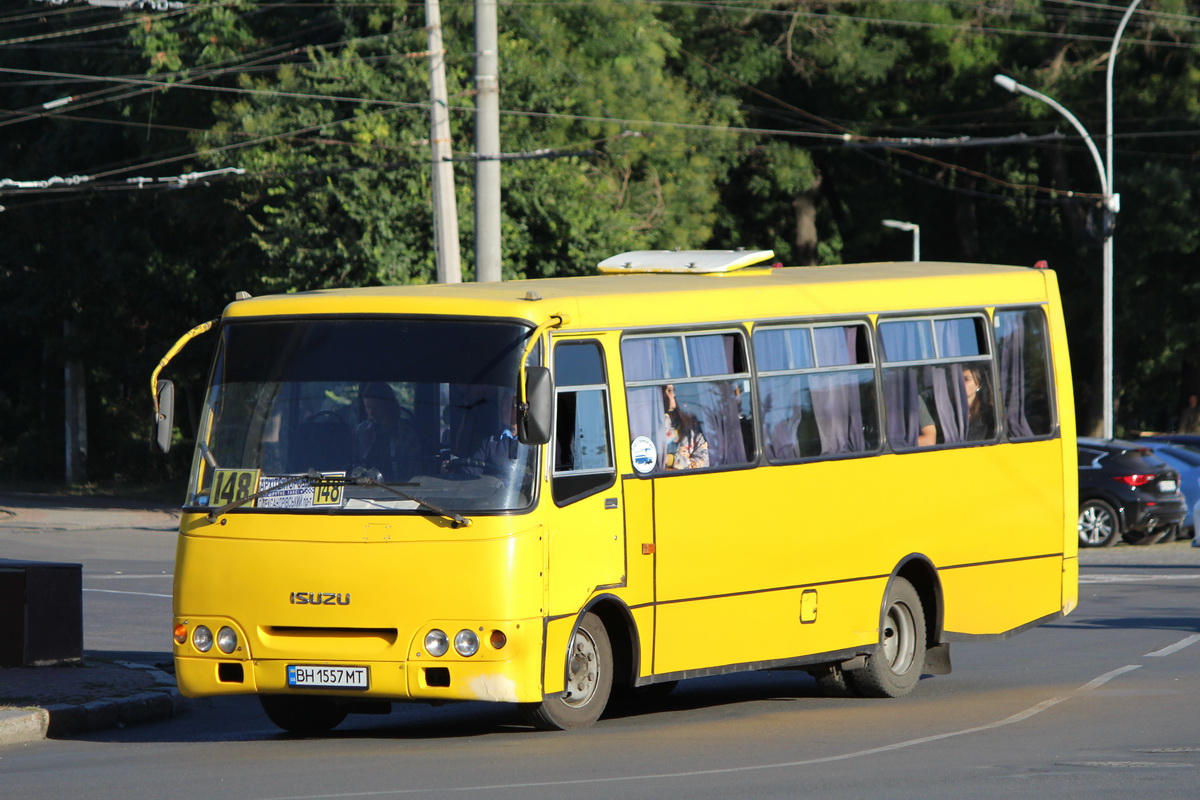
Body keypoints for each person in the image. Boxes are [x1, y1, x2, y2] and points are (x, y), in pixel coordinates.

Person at [353, 382, 417, 481]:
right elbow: (352, 465)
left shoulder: (406, 434)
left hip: (399, 492)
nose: (371, 412)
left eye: (376, 408)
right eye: (368, 407)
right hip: (363, 491)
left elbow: (414, 472)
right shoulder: (361, 432)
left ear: (388, 406)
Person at [663, 384, 709, 469]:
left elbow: (701, 464)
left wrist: (671, 460)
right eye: (682, 402)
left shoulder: (699, 432)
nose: (685, 406)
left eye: (690, 402)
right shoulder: (665, 422)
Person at [963, 366, 994, 441]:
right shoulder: (949, 412)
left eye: (966, 379)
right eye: (959, 380)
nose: (961, 383)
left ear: (978, 384)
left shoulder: (987, 412)